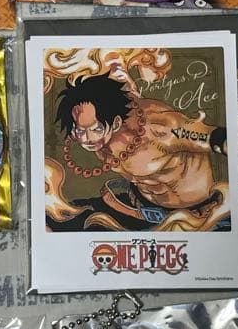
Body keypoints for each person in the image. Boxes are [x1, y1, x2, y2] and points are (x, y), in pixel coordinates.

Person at [47, 73, 228, 231]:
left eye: (96, 129)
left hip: (199, 218)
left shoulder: (159, 127)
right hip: (137, 208)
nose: (87, 139)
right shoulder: (99, 138)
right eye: (79, 131)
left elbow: (213, 137)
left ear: (116, 122)